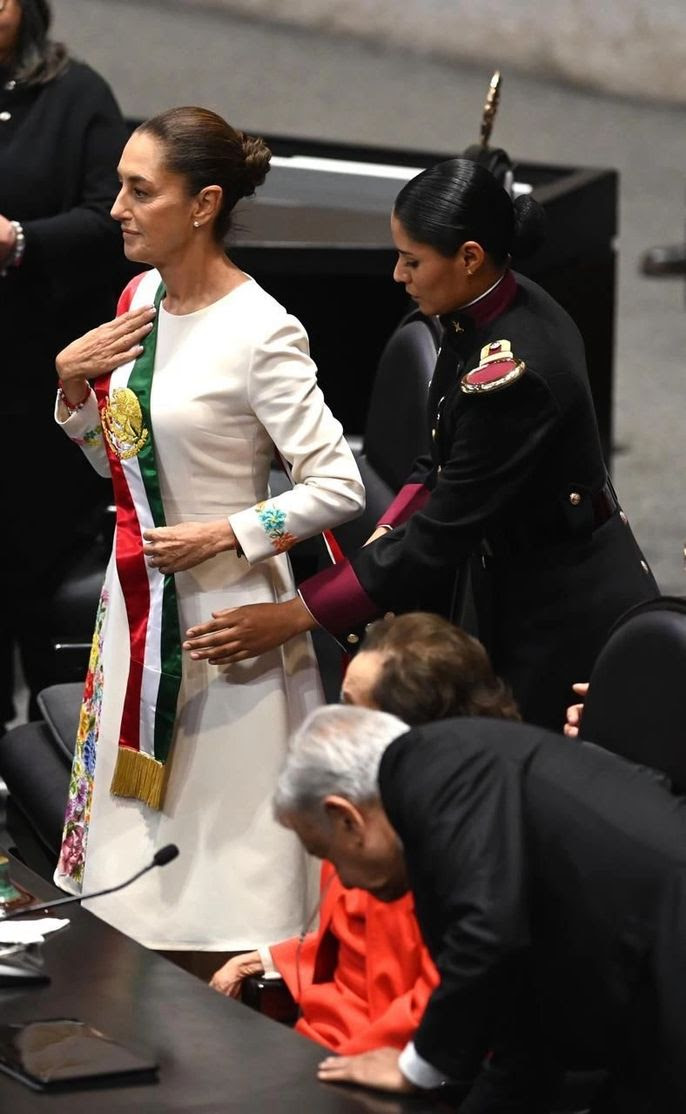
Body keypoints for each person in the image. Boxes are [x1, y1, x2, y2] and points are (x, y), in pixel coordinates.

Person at [183, 158, 659, 731]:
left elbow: (441, 532)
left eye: (412, 260)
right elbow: (437, 461)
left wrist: (295, 614)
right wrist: (386, 536)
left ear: (469, 257)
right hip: (510, 572)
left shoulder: (513, 376)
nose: (397, 275)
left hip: (566, 607)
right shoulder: (480, 313)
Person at [51, 105, 365, 970]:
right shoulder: (139, 298)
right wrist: (73, 393)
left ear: (203, 204)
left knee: (224, 866)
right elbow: (120, 465)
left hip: (225, 626)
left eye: (138, 190)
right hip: (138, 607)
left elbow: (336, 485)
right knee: (132, 875)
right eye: (119, 184)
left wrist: (226, 532)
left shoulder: (263, 332)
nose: (115, 206)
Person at [274, 704, 686, 1112]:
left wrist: (416, 1068)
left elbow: (488, 936)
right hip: (643, 993)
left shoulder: (428, 773)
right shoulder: (450, 781)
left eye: (324, 851)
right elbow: (522, 1034)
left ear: (346, 818)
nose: (343, 881)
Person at [209, 612, 518, 1053]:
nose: (336, 720)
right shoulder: (363, 803)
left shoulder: (444, 845)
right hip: (316, 1045)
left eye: (354, 706)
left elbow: (435, 1000)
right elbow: (352, 949)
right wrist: (267, 958)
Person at [0, 0, 133, 730]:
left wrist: (20, 241)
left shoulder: (76, 95)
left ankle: (53, 756)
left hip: (34, 393)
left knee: (36, 581)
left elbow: (111, 219)